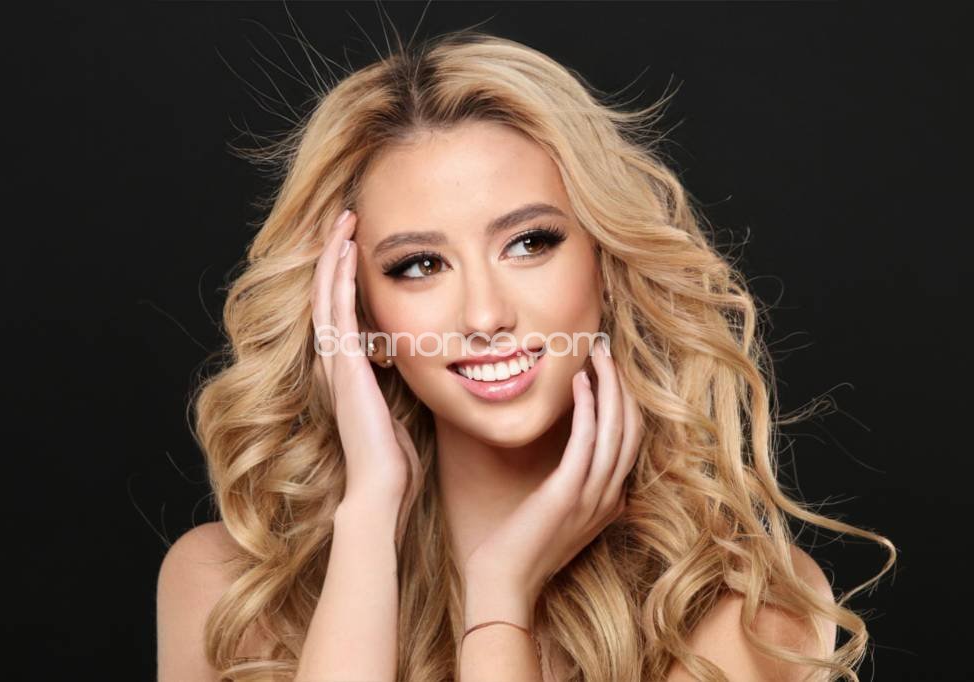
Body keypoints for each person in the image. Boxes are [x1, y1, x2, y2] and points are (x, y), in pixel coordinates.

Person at [156, 30, 895, 682]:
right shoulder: (227, 589)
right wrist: (368, 517)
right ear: (357, 314)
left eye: (530, 243)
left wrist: (500, 595)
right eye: (419, 265)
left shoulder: (746, 609)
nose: (485, 317)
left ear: (606, 261)